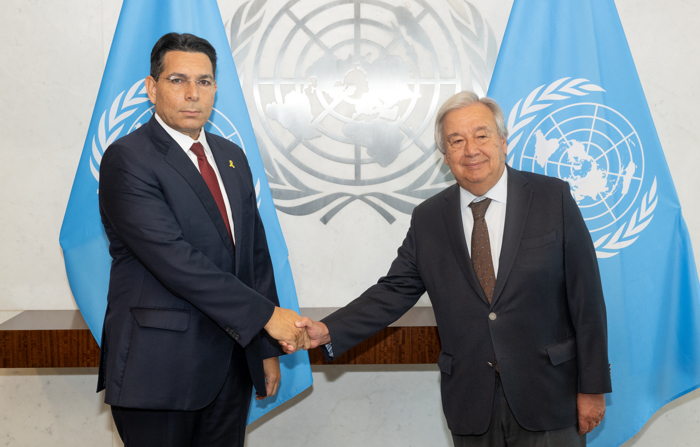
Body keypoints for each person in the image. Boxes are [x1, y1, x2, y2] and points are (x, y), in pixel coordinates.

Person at [295, 92, 611, 446]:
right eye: (456, 141)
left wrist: (593, 388)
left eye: (481, 135)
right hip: (471, 403)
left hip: (550, 396)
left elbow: (587, 301)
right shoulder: (430, 218)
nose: (470, 150)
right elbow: (394, 291)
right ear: (445, 156)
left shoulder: (552, 198)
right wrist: (328, 329)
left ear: (503, 142)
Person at [97, 32, 306, 447]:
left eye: (204, 81)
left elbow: (254, 258)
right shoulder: (128, 159)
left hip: (230, 367)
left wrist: (263, 348)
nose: (193, 94)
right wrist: (266, 316)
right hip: (159, 371)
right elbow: (175, 261)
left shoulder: (232, 157)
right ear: (151, 88)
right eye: (177, 80)